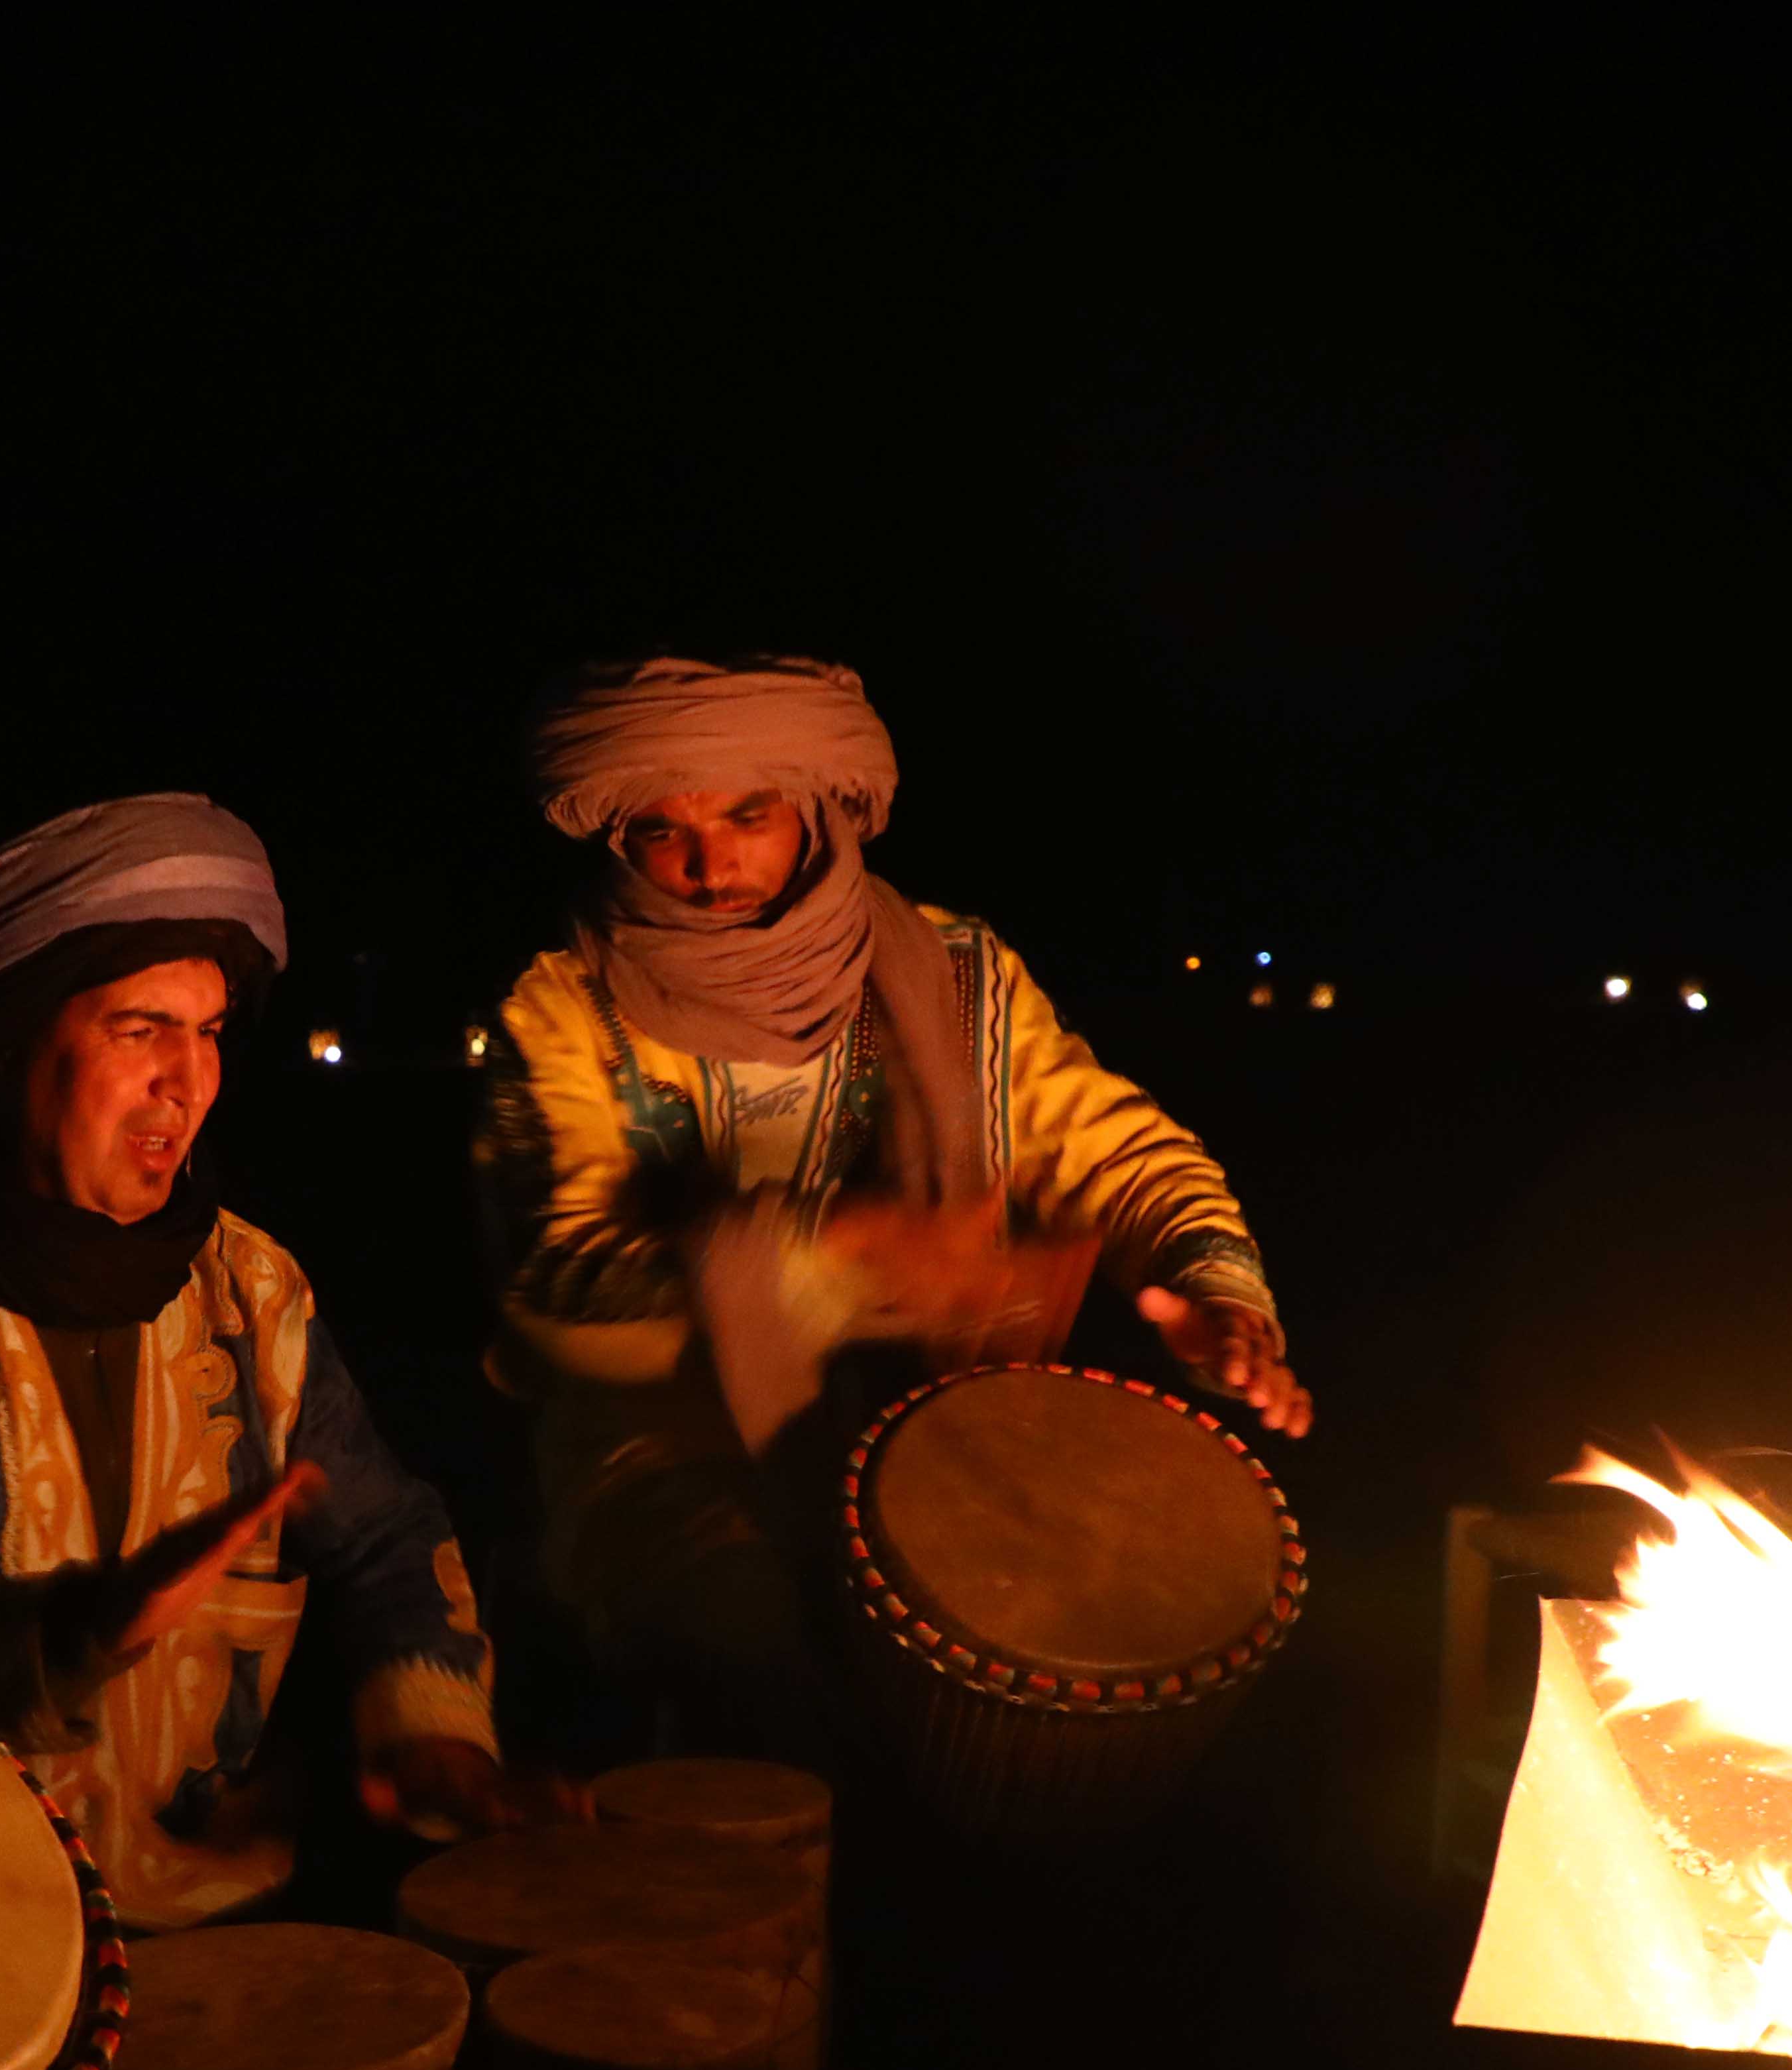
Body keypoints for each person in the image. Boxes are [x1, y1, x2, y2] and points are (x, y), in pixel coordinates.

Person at [0, 794, 560, 1930]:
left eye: (210, 1031)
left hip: (235, 1897)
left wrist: (434, 1744)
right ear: (0, 1044)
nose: (190, 1081)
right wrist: (69, 1640)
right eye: (139, 1029)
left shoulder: (249, 1290)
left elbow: (383, 1539)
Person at [473, 654, 1312, 1756]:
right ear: (614, 839)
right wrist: (839, 1261)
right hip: (666, 1451)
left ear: (820, 809)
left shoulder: (956, 975)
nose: (710, 864)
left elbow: (1117, 1150)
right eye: (658, 833)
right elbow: (555, 1289)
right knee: (749, 1650)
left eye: (748, 814)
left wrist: (1219, 1294)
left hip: (939, 1420)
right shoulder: (564, 1008)